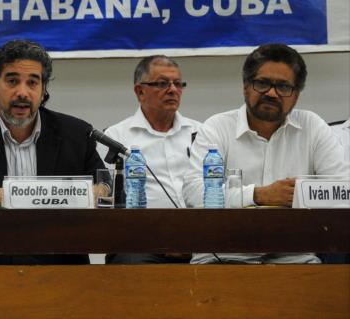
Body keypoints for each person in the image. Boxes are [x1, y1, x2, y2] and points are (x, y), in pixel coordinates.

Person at [0, 39, 104, 265]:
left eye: (33, 83)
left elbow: (106, 187)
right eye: (12, 81)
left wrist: (93, 193)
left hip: (59, 265)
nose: (22, 92)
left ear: (43, 92)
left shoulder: (77, 134)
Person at [184, 44, 348, 264]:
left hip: (295, 261)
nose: (272, 93)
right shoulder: (217, 128)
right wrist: (258, 195)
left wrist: (304, 196)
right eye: (262, 83)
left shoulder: (313, 127)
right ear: (245, 87)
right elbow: (194, 193)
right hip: (222, 259)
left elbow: (343, 193)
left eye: (283, 86)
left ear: (296, 95)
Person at [101, 56, 200, 264]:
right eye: (163, 83)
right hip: (139, 244)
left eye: (178, 84)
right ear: (140, 91)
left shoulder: (201, 133)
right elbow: (105, 201)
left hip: (198, 241)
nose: (173, 90)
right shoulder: (116, 137)